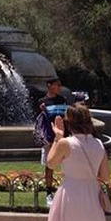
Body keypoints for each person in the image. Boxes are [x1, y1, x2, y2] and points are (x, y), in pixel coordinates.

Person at [39, 77, 68, 206]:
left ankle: (64, 191)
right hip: (49, 140)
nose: (59, 87)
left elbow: (65, 119)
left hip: (63, 139)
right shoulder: (42, 102)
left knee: (66, 165)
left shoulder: (63, 100)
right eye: (57, 85)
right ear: (49, 86)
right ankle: (48, 192)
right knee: (49, 166)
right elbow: (41, 123)